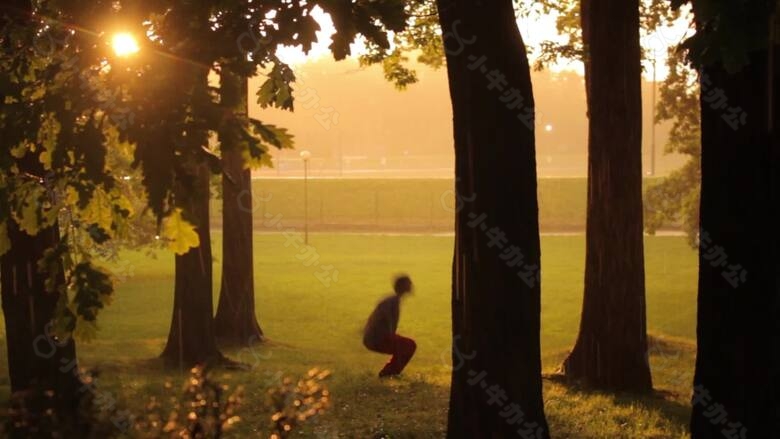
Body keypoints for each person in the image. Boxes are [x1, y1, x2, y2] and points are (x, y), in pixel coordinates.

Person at [363, 274, 416, 377]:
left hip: (377, 337)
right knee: (409, 345)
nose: (411, 285)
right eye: (409, 283)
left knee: (405, 346)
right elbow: (382, 317)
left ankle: (390, 373)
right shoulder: (392, 301)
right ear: (403, 286)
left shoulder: (393, 300)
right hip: (377, 338)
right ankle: (387, 373)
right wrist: (389, 333)